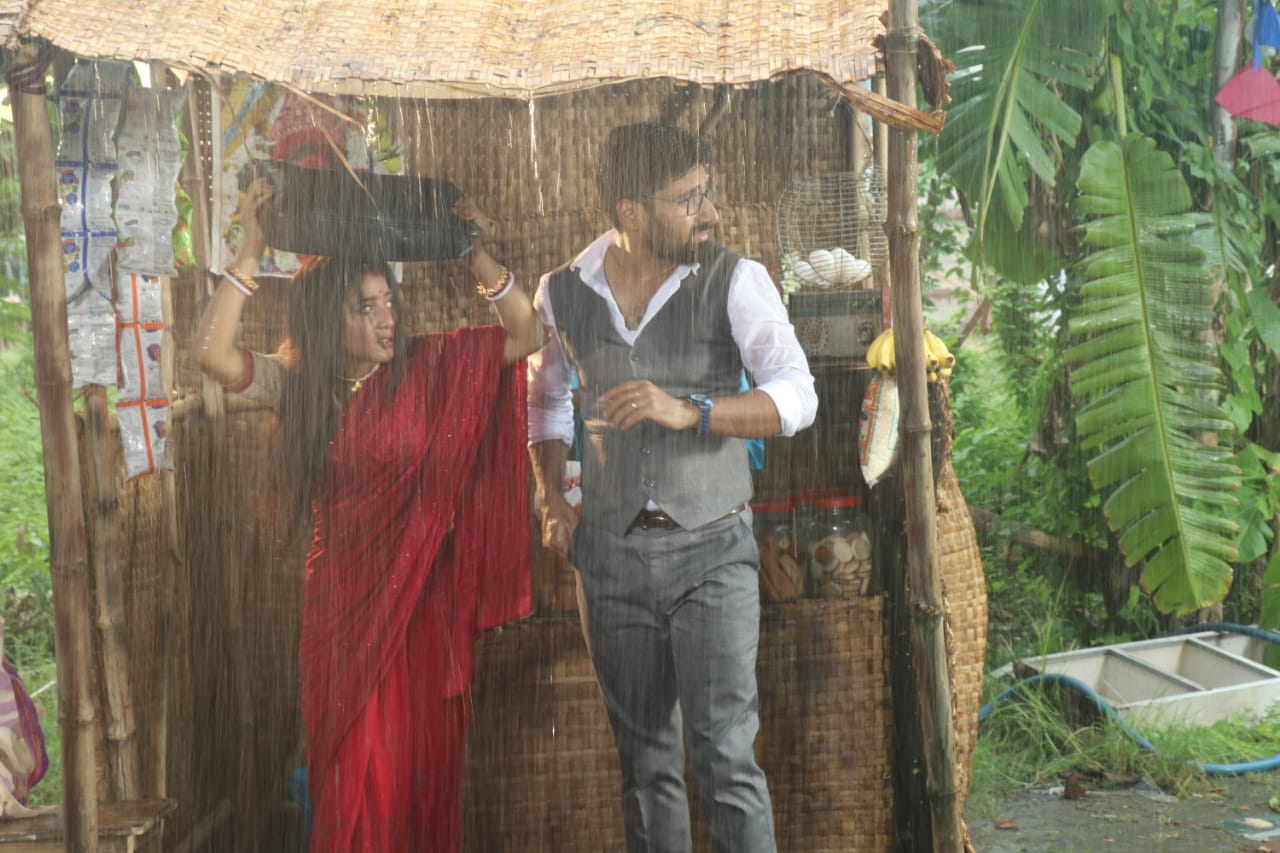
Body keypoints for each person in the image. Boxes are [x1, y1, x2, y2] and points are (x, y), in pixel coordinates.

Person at [195, 177, 545, 853]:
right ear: (329, 317)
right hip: (340, 610)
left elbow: (525, 332)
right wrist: (252, 247)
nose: (388, 319)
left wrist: (475, 252)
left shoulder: (433, 367)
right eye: (366, 307)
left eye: (390, 303)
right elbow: (209, 354)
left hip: (421, 605)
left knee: (413, 770)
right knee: (353, 769)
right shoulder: (300, 384)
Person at [527, 122, 818, 853]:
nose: (709, 212)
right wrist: (550, 492)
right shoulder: (562, 292)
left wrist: (696, 410)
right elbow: (544, 396)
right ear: (631, 213)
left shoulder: (734, 279)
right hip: (612, 562)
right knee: (645, 765)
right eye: (690, 199)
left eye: (706, 194)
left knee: (725, 761)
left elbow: (798, 396)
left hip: (713, 551)